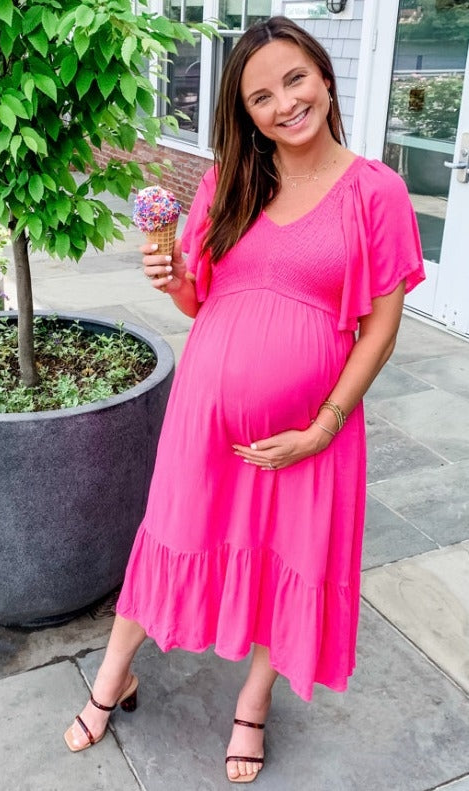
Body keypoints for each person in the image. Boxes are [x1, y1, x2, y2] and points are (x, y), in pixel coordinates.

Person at [64, 16, 425, 783]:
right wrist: (173, 279)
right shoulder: (229, 181)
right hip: (203, 419)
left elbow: (380, 329)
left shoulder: (377, 191)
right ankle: (111, 677)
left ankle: (252, 706)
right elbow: (201, 301)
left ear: (324, 76)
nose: (283, 103)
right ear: (246, 112)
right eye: (261, 96)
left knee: (285, 559)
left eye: (294, 80)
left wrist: (323, 426)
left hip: (308, 434)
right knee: (169, 535)